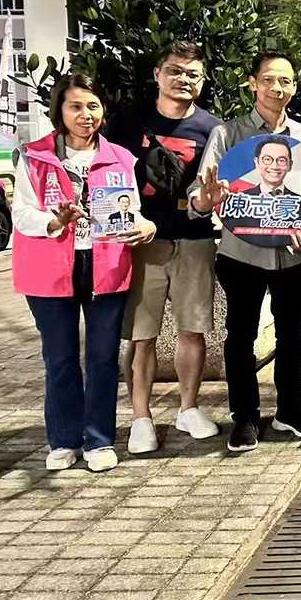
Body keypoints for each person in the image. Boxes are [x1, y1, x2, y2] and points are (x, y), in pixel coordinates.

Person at [12, 73, 157, 472]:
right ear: (59, 110)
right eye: (75, 106)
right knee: (59, 358)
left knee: (102, 357)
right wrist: (55, 221)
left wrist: (146, 225)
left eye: (93, 106)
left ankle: (99, 440)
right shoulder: (34, 157)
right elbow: (21, 213)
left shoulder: (120, 158)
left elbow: (132, 210)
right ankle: (63, 440)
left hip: (106, 265)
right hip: (48, 269)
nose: (85, 114)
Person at [190, 50, 301, 452]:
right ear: (253, 84)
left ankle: (290, 410)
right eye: (268, 79)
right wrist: (206, 199)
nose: (277, 88)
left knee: (293, 335)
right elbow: (200, 194)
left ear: (294, 87)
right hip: (241, 254)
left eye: (285, 81)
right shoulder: (228, 135)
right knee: (240, 336)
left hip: (293, 255)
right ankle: (245, 417)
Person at [107, 40, 223, 455]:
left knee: (194, 329)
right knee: (142, 335)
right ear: (158, 74)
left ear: (202, 81)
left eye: (192, 74)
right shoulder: (128, 123)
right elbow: (108, 178)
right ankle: (141, 418)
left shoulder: (214, 129)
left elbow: (217, 185)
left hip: (194, 239)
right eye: (174, 71)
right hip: (142, 243)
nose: (183, 80)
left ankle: (188, 408)